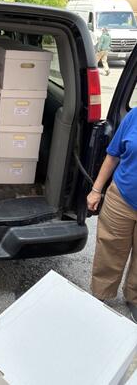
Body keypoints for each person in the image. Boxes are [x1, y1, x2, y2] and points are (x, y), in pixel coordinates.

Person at [87, 107, 137, 322]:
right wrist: (96, 190)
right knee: (110, 248)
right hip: (122, 197)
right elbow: (113, 155)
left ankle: (134, 298)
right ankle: (101, 294)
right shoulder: (134, 116)